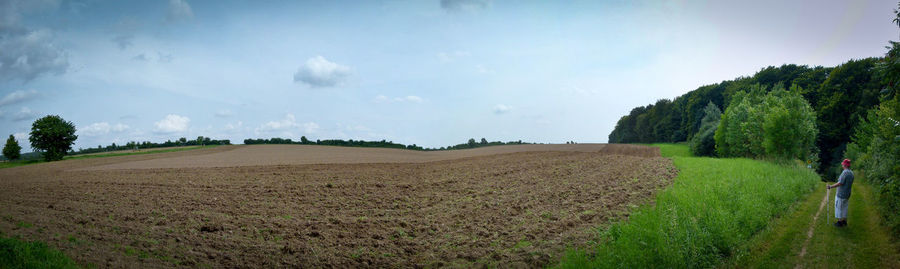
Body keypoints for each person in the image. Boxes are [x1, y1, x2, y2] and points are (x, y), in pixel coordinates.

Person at [827, 159, 854, 227]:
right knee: (845, 207)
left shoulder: (845, 173)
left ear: (845, 165)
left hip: (841, 194)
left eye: (843, 164)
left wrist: (830, 186)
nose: (842, 165)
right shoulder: (851, 173)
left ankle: (839, 222)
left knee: (839, 207)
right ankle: (844, 221)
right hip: (847, 194)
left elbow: (840, 183)